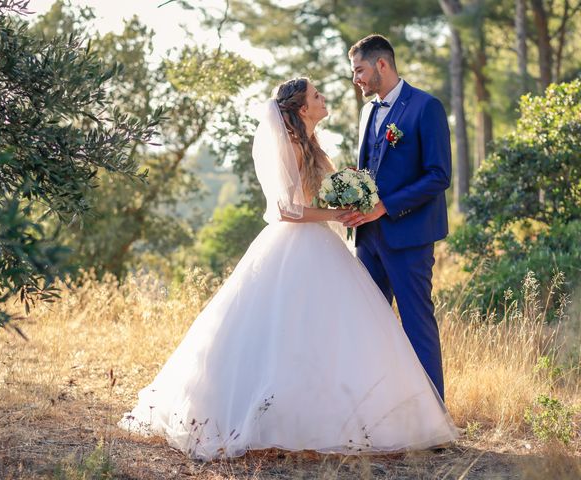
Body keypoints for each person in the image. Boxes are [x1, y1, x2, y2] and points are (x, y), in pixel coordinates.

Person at [118, 77, 457, 461]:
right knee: (287, 330)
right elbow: (285, 209)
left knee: (330, 332)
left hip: (325, 245)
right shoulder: (291, 146)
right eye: (316, 95)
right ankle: (272, 420)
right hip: (295, 246)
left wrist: (352, 192)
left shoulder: (311, 144)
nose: (323, 97)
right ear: (301, 108)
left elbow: (324, 188)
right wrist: (334, 213)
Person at [341, 34, 452, 400]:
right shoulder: (366, 112)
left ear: (381, 65)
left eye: (359, 70)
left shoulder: (426, 107)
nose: (356, 77)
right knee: (366, 325)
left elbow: (439, 175)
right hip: (367, 240)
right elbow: (370, 169)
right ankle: (377, 410)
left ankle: (433, 418)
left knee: (417, 326)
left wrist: (386, 205)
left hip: (409, 238)